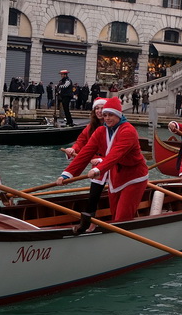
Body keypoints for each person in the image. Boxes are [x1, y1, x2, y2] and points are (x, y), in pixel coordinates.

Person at [57, 97, 148, 229]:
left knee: (122, 218)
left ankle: (118, 240)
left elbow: (115, 155)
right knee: (114, 214)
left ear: (118, 114)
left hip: (134, 177)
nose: (107, 118)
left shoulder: (128, 131)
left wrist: (97, 169)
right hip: (115, 175)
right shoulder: (100, 131)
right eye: (105, 115)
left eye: (110, 114)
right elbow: (85, 153)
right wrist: (67, 175)